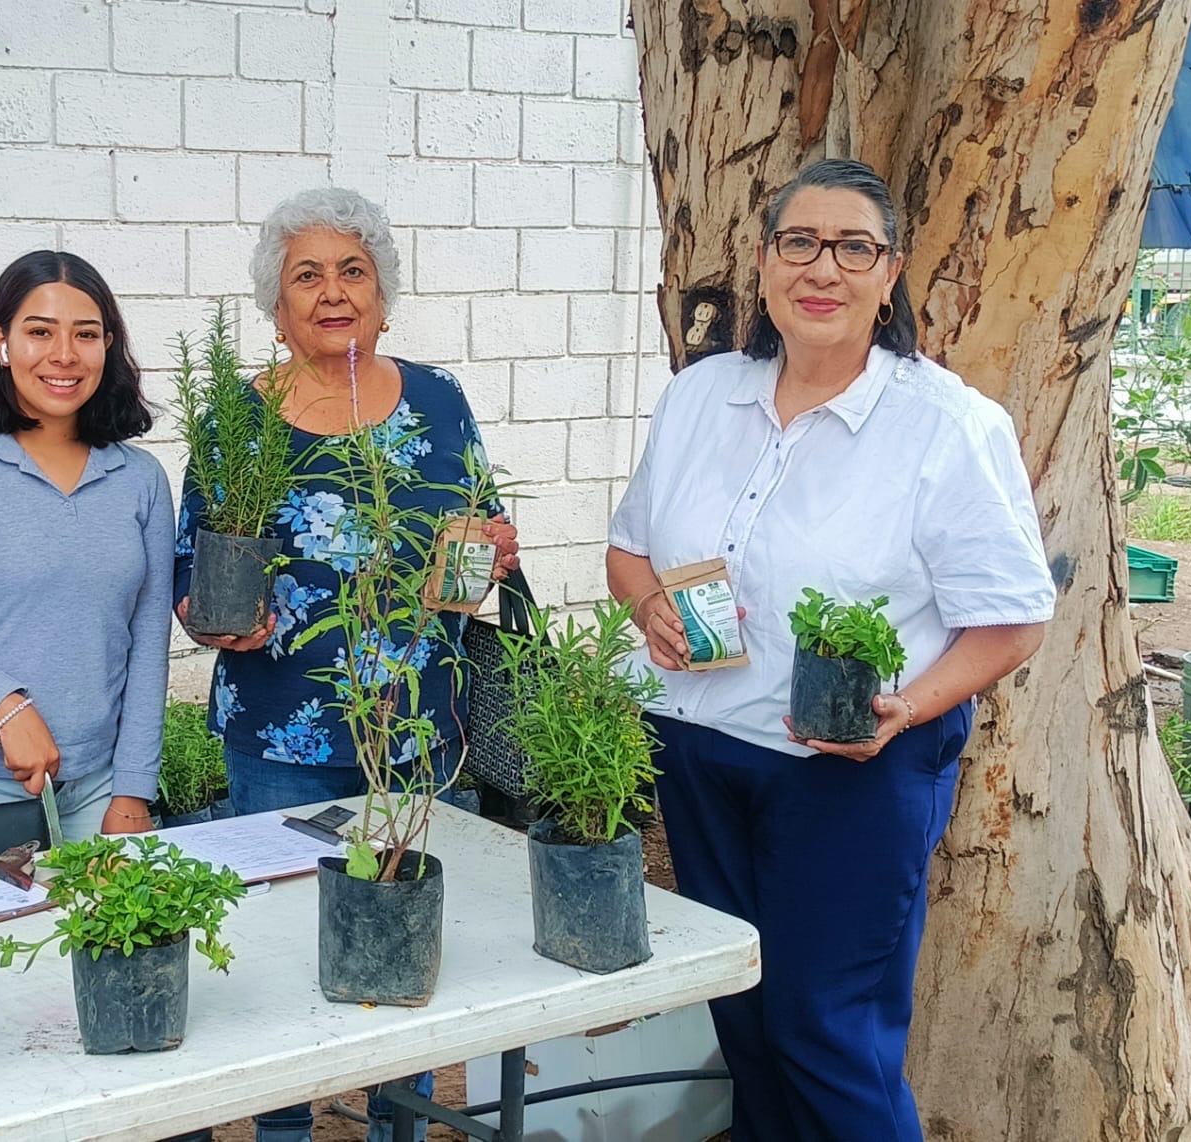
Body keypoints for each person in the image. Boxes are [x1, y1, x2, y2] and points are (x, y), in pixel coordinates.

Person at [605, 158, 1056, 1142]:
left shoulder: (948, 426)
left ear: (890, 273)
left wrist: (913, 703)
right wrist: (649, 609)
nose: (824, 268)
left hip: (846, 771)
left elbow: (1015, 616)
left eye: (855, 246)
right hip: (701, 748)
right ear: (764, 263)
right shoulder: (699, 397)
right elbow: (629, 547)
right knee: (749, 1020)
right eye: (799, 242)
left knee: (825, 1031)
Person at [173, 187, 519, 1142]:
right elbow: (189, 566)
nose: (332, 292)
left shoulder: (440, 398)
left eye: (352, 270)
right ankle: (284, 1125)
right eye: (307, 275)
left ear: (383, 292)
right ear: (276, 306)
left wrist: (493, 546)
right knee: (282, 935)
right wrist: (211, 621)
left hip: (418, 726)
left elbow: (477, 523)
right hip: (281, 728)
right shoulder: (234, 422)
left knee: (400, 935)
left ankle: (392, 1121)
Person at [0, 250, 172, 841]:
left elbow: (148, 644)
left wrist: (133, 789)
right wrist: (6, 706)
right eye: (39, 332)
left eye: (86, 334)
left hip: (99, 789)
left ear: (109, 345)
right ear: (1, 341)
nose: (63, 355)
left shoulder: (141, 480)